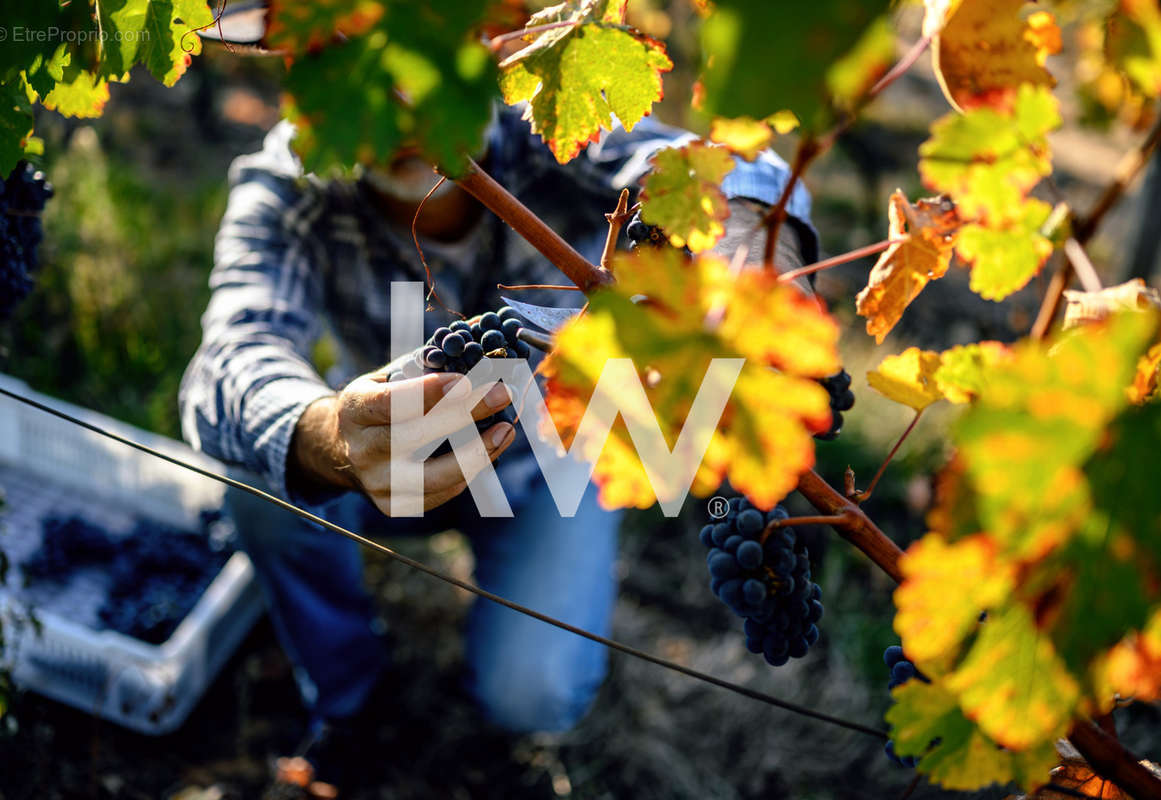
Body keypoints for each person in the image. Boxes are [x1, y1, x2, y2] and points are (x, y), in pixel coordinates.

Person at [179, 100, 818, 784]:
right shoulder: (294, 175)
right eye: (369, 76)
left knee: (535, 694)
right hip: (374, 459)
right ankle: (347, 697)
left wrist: (751, 235)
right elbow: (232, 355)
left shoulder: (556, 121)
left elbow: (738, 167)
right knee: (259, 474)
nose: (402, 115)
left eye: (428, 69)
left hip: (545, 470)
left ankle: (501, 724)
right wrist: (323, 434)